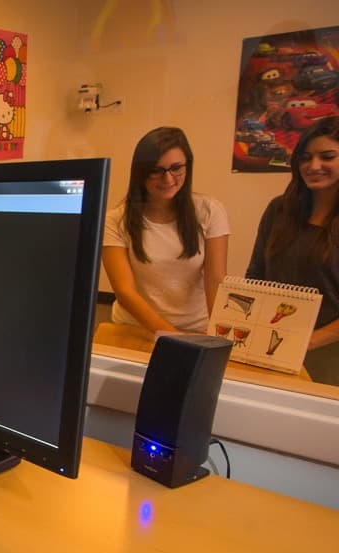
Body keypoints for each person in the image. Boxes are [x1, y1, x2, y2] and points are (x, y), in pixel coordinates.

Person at [102, 126, 230, 333]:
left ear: (187, 167)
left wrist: (217, 334)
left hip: (195, 328)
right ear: (141, 173)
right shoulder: (115, 220)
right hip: (136, 327)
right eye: (156, 171)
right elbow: (125, 292)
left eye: (176, 168)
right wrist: (172, 337)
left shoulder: (209, 210)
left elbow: (215, 280)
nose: (168, 179)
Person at [246, 115, 339, 386]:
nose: (314, 166)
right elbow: (256, 274)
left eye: (327, 156)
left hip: (327, 358)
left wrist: (305, 343)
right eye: (305, 158)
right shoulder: (279, 210)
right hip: (271, 346)